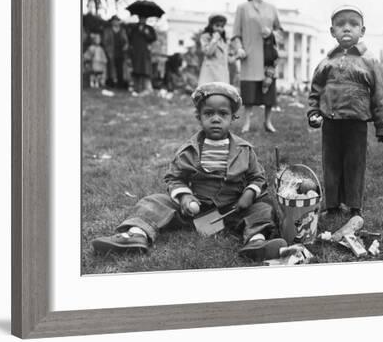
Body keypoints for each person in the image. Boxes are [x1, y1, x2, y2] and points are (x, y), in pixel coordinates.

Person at [91, 82, 287, 261]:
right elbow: (174, 178)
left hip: (234, 209)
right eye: (209, 114)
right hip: (195, 209)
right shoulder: (190, 149)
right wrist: (185, 198)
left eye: (223, 114)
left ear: (233, 117)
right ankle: (136, 234)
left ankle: (256, 240)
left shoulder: (245, 150)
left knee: (263, 207)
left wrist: (249, 193)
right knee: (154, 201)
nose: (216, 119)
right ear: (199, 118)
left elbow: (257, 176)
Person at [307, 5, 383, 218]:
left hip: (357, 123)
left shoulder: (369, 60)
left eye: (353, 24)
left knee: (355, 164)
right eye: (340, 24)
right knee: (331, 164)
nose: (347, 29)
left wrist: (382, 124)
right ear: (332, 31)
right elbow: (315, 90)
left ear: (362, 31)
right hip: (331, 123)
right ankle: (332, 205)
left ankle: (355, 207)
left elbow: (378, 93)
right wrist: (313, 112)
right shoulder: (326, 62)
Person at [232, 0, 282, 133]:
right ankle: (246, 122)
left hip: (268, 56)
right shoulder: (242, 8)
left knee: (269, 90)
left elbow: (280, 31)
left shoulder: (272, 8)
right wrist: (239, 48)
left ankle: (268, 122)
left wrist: (272, 33)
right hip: (250, 55)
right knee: (249, 91)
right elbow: (236, 34)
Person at [198, 14, 243, 85]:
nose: (219, 29)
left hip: (222, 76)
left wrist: (237, 56)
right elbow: (208, 53)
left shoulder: (223, 41)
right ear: (211, 25)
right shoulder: (205, 37)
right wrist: (214, 39)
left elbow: (228, 60)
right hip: (210, 76)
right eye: (217, 25)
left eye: (222, 26)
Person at [127, 16, 157, 95]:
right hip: (136, 52)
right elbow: (130, 38)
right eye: (141, 18)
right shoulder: (134, 28)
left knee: (145, 70)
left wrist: (146, 33)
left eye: (143, 18)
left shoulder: (149, 28)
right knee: (136, 70)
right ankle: (136, 87)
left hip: (145, 52)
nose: (142, 19)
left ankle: (146, 88)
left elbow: (153, 38)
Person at [102, 15, 129, 89]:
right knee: (111, 68)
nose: (115, 22)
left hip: (121, 52)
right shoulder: (107, 30)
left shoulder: (122, 30)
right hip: (111, 51)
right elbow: (105, 41)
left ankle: (120, 84)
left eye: (117, 20)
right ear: (111, 22)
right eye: (114, 21)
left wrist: (126, 45)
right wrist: (107, 50)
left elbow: (126, 41)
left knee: (120, 68)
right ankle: (111, 83)